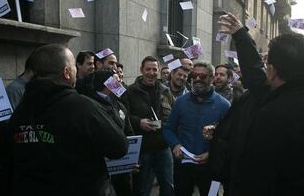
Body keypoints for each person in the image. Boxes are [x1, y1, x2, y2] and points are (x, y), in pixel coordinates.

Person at [210, 13, 304, 195]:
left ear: (272, 71)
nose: (264, 71)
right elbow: (257, 78)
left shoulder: (273, 114)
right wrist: (241, 36)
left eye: (267, 65)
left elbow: (254, 178)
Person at [0, 44, 128, 196]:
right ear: (67, 72)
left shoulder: (19, 112)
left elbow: (5, 158)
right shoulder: (83, 107)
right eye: (74, 66)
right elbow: (119, 147)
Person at [163, 61, 230, 195]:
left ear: (212, 79)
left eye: (203, 76)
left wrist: (212, 153)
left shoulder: (224, 105)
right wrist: (175, 145)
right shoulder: (180, 102)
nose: (197, 79)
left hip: (212, 169)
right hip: (183, 166)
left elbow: (230, 138)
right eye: (194, 75)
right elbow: (168, 129)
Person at [122, 56, 175, 196]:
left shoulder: (165, 91)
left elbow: (173, 115)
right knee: (142, 189)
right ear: (141, 70)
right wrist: (139, 122)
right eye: (148, 69)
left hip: (163, 147)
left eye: (154, 69)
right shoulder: (130, 91)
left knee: (168, 187)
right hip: (142, 149)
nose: (151, 72)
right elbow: (123, 116)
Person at [76, 68, 134, 196]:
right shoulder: (91, 106)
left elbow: (129, 132)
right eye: (117, 81)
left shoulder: (120, 105)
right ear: (108, 84)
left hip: (123, 169)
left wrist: (131, 159)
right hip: (101, 173)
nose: (121, 83)